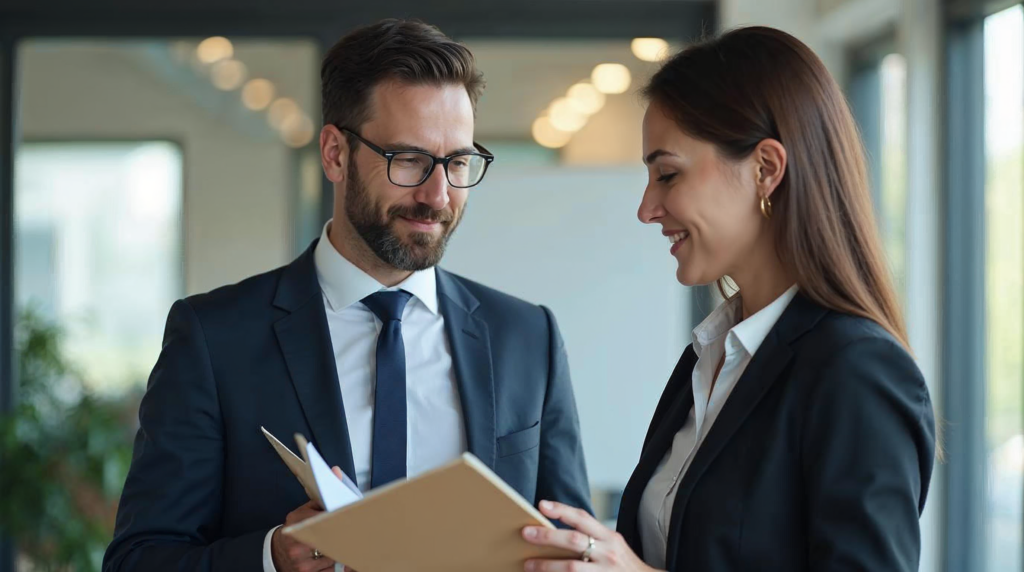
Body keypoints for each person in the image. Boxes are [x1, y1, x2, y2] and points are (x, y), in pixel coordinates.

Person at [102, 19, 591, 572]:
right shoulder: (215, 338)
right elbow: (138, 559)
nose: (439, 194)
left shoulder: (527, 338)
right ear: (335, 154)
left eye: (457, 163)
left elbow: (571, 542)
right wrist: (269, 557)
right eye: (409, 160)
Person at [520, 26, 936, 572]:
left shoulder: (856, 368)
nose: (647, 209)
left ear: (766, 168)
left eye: (667, 174)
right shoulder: (712, 356)